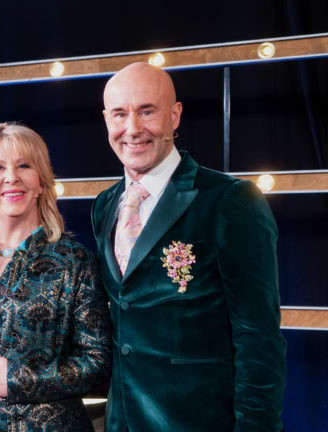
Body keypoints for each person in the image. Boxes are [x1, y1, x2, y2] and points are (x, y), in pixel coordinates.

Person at [91, 62, 287, 431]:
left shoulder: (230, 200)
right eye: (120, 114)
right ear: (106, 120)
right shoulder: (104, 205)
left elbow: (259, 340)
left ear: (175, 115)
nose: (132, 128)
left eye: (146, 111)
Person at [0, 122, 112, 432]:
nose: (11, 177)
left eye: (24, 165)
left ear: (41, 182)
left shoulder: (76, 261)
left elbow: (97, 361)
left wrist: (13, 380)